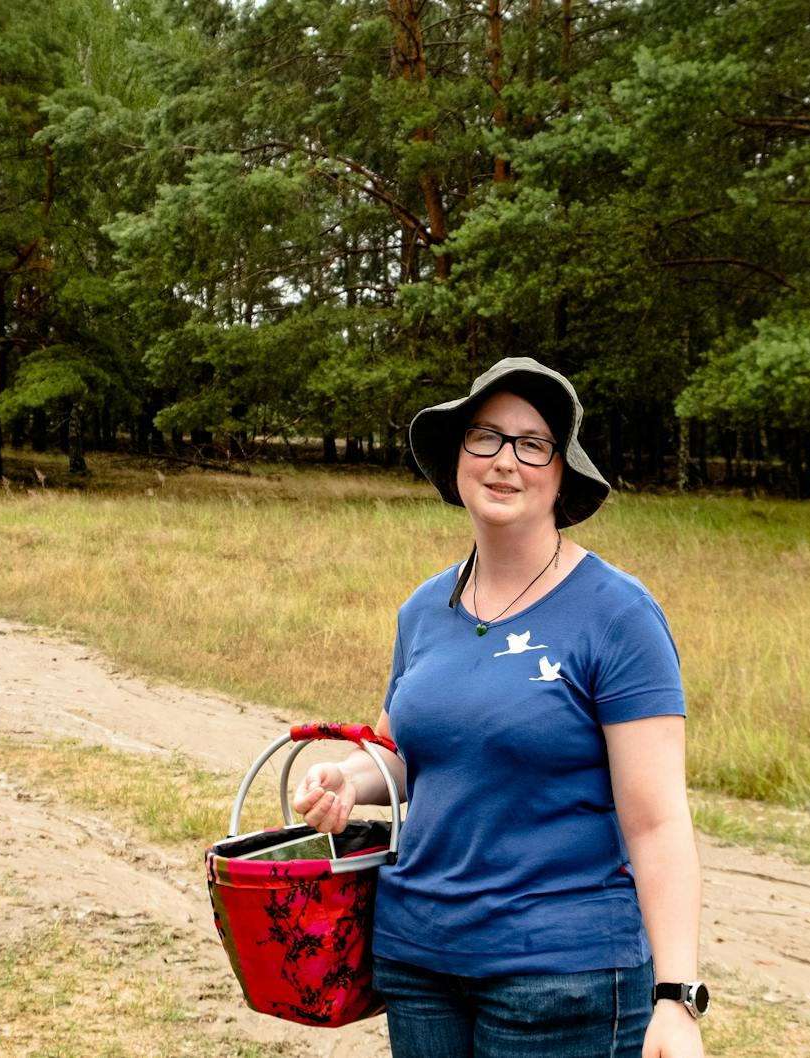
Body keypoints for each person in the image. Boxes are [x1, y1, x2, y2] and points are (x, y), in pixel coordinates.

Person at [292, 357, 706, 1058]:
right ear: (459, 457)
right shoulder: (424, 609)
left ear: (561, 473)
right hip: (418, 963)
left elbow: (657, 821)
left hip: (562, 976)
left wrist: (676, 998)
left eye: (532, 444)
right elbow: (403, 758)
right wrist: (346, 778)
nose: (505, 461)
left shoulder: (618, 615)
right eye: (485, 436)